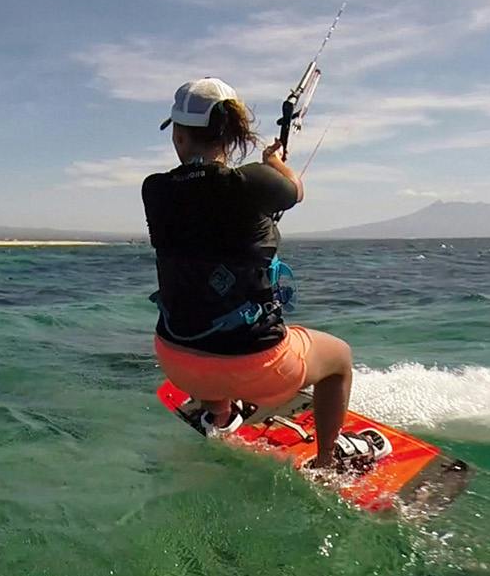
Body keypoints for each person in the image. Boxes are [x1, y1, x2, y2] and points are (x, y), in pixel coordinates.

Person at [142, 77, 369, 470]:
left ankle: (218, 414)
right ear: (231, 135)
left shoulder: (154, 190)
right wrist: (275, 161)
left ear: (179, 136)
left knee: (204, 318)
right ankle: (327, 461)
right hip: (257, 364)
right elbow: (294, 190)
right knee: (339, 360)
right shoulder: (254, 182)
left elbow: (204, 202)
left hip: (176, 359)